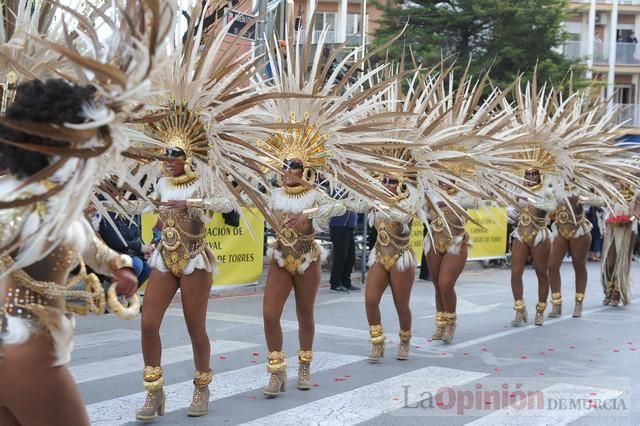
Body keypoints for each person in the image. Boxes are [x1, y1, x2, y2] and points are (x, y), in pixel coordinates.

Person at [0, 80, 139, 426]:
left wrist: (116, 263)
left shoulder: (44, 195)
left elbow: (85, 240)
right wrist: (77, 293)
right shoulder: (33, 205)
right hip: (26, 350)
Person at [360, 175, 417, 362]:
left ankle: (405, 340)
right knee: (370, 300)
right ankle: (377, 342)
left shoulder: (410, 201)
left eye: (391, 181)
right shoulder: (376, 199)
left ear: (402, 184)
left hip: (401, 258)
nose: (386, 184)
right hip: (379, 255)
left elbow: (402, 216)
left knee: (401, 305)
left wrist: (379, 203)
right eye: (383, 180)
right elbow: (353, 205)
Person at [421, 181, 476, 343]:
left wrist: (449, 200)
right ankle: (440, 322)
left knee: (446, 283)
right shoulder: (429, 191)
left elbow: (475, 202)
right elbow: (420, 211)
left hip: (456, 242)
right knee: (438, 285)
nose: (443, 180)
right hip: (434, 240)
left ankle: (451, 323)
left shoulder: (463, 191)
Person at [510, 166, 557, 326]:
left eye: (534, 173)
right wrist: (511, 212)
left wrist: (535, 201)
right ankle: (519, 308)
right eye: (528, 174)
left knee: (542, 274)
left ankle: (540, 310)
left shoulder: (546, 191)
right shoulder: (519, 190)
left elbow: (552, 207)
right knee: (515, 273)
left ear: (539, 175)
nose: (530, 176)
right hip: (521, 233)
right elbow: (513, 208)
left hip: (539, 235)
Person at [547, 182, 596, 318]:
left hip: (578, 230)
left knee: (579, 266)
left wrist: (582, 198)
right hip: (560, 229)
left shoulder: (582, 184)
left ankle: (579, 303)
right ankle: (557, 303)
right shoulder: (554, 186)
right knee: (552, 266)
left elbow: (599, 200)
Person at [601, 181, 640, 306]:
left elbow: (637, 214)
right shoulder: (612, 192)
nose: (621, 182)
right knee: (610, 261)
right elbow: (605, 207)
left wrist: (630, 219)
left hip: (628, 230)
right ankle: (609, 288)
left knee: (622, 262)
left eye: (624, 178)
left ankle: (617, 292)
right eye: (618, 179)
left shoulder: (636, 194)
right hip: (612, 228)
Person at [329, 210, 359, 292]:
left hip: (349, 227)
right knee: (340, 257)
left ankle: (346, 282)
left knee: (351, 257)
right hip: (339, 226)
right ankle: (335, 284)